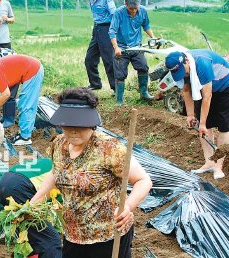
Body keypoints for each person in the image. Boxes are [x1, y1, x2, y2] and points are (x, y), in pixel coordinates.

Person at [30, 87, 152, 257]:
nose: (73, 131)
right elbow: (55, 172)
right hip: (73, 234)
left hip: (108, 236)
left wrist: (128, 206)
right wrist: (33, 205)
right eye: (68, 125)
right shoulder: (59, 144)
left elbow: (143, 180)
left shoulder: (109, 148)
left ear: (91, 124)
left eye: (80, 125)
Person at [165, 50, 229, 179]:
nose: (184, 74)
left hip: (227, 86)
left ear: (187, 62)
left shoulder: (202, 63)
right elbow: (186, 90)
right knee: (205, 126)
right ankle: (209, 163)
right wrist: (190, 115)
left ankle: (219, 166)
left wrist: (201, 123)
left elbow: (207, 96)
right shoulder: (181, 66)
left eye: (184, 71)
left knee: (224, 126)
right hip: (205, 88)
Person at [0, 158, 62, 257]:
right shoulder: (72, 173)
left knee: (33, 235)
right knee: (51, 240)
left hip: (5, 182)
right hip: (21, 187)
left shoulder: (54, 160)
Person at [109, 0, 156, 104]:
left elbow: (146, 26)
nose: (134, 11)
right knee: (120, 75)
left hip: (136, 47)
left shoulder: (143, 11)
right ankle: (119, 100)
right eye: (131, 9)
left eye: (136, 8)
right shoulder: (118, 13)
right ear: (125, 4)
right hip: (121, 48)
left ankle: (144, 93)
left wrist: (153, 38)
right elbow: (112, 31)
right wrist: (116, 48)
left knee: (143, 67)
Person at [77, 0, 116, 91]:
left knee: (108, 59)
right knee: (89, 58)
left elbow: (114, 15)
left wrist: (113, 32)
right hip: (97, 29)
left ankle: (116, 87)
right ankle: (95, 84)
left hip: (106, 29)